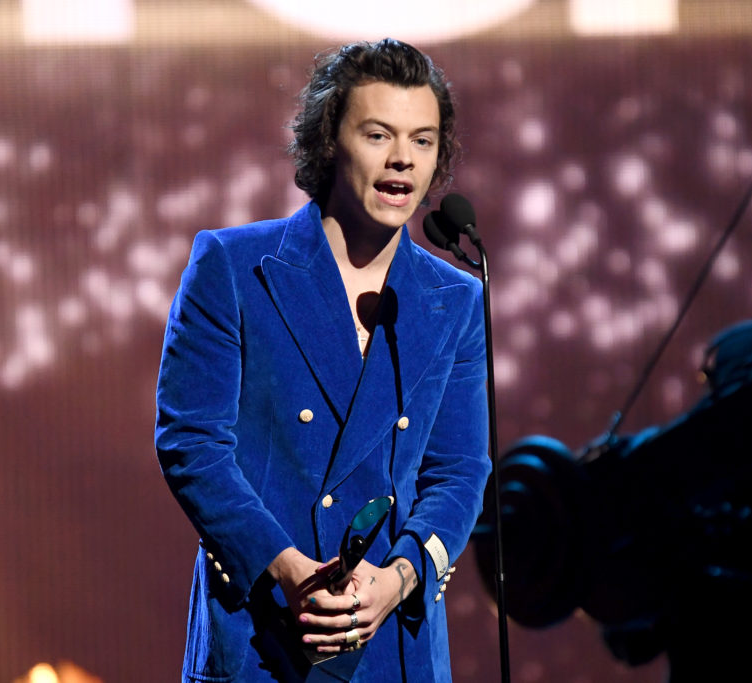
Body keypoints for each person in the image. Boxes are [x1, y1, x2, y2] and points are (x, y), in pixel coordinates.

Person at [155, 38, 491, 682]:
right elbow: (191, 443)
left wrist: (398, 578)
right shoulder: (233, 267)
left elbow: (459, 473)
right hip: (264, 634)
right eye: (378, 134)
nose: (402, 159)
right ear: (329, 141)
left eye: (423, 140)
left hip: (394, 646)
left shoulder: (457, 299)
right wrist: (285, 567)